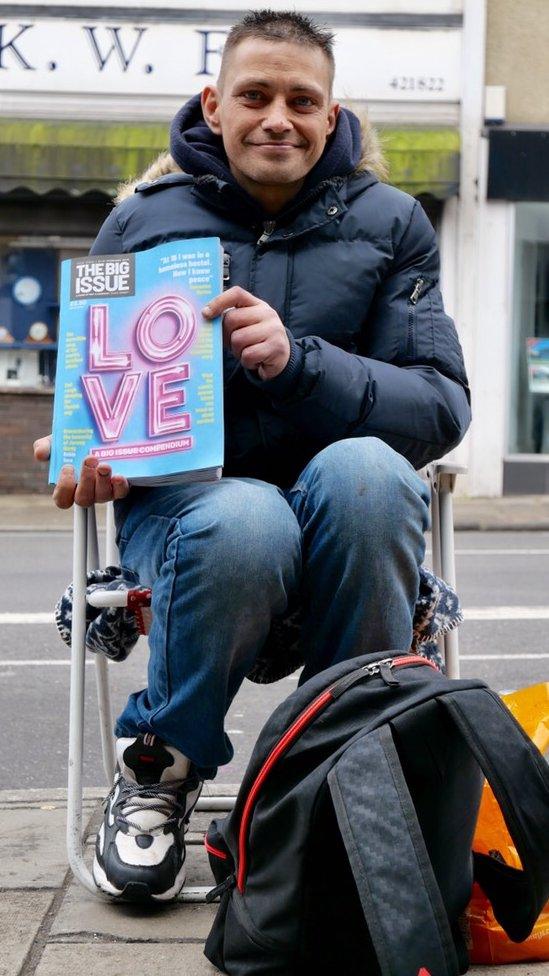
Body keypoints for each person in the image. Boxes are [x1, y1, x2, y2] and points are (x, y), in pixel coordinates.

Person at [34, 10, 471, 903]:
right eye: (256, 95)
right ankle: (158, 770)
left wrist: (296, 359)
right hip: (191, 526)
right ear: (214, 104)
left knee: (369, 470)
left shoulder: (394, 225)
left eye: (301, 100)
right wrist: (86, 449)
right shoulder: (139, 222)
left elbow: (439, 405)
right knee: (244, 512)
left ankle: (350, 774)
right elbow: (97, 394)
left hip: (347, 526)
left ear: (330, 112)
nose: (279, 117)